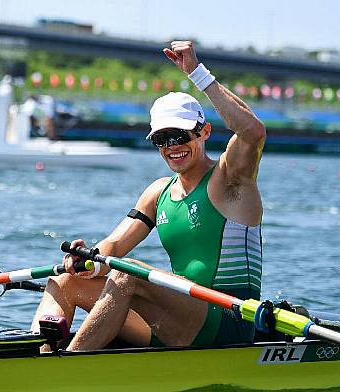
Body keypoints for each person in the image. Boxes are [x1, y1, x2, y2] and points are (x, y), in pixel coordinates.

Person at [31, 40, 266, 351]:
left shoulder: (230, 179)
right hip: (177, 318)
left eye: (179, 135)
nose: (171, 146)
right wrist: (87, 260)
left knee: (129, 274)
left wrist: (198, 74)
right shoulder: (159, 193)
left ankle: (68, 366)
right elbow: (113, 246)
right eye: (162, 139)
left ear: (205, 132)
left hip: (229, 321)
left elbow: (253, 133)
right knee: (65, 279)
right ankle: (32, 356)